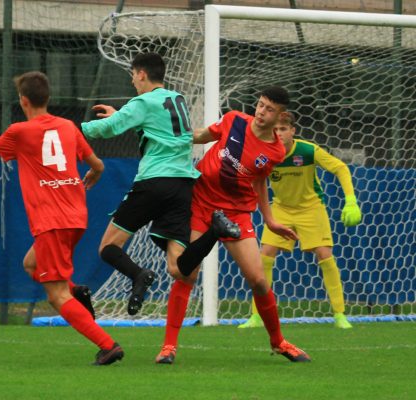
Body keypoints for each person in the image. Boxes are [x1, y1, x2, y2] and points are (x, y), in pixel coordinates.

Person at [0, 71, 123, 366]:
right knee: (31, 264)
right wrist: (93, 172)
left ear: (24, 100)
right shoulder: (68, 127)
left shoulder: (20, 131)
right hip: (76, 215)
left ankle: (108, 346)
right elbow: (98, 165)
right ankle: (76, 291)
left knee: (55, 295)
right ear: (48, 98)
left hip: (52, 220)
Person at [157, 86, 311, 364]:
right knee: (187, 274)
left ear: (281, 116)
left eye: (269, 109)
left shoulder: (275, 151)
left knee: (258, 280)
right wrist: (161, 137)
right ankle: (168, 347)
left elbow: (259, 182)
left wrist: (270, 220)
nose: (261, 112)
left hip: (237, 214)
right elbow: (200, 136)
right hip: (201, 204)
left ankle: (278, 342)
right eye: (261, 105)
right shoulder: (234, 120)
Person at [81, 52, 239, 317]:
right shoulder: (177, 99)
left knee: (108, 248)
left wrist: (72, 130)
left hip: (154, 181)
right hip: (183, 186)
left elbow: (108, 129)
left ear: (141, 73)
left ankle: (139, 275)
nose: (133, 81)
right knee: (178, 267)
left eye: (132, 75)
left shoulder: (142, 101)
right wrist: (121, 113)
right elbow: (155, 127)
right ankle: (214, 231)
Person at [238, 112, 361, 330]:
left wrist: (350, 200)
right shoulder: (264, 154)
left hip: (311, 208)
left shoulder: (307, 150)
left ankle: (340, 314)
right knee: (264, 255)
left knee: (325, 254)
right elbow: (253, 180)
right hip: (281, 208)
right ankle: (257, 316)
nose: (279, 134)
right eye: (275, 130)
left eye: (283, 129)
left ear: (292, 131)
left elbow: (340, 168)